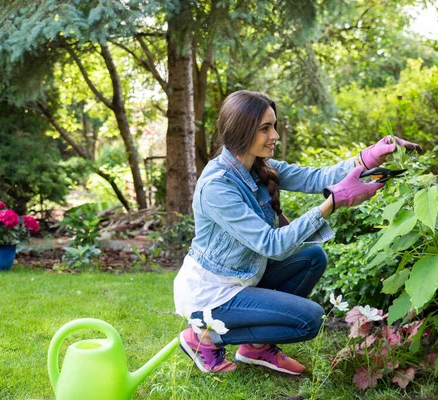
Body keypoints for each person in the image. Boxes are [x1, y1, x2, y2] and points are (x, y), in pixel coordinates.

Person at [173, 90, 422, 375]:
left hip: (242, 275)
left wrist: (368, 159)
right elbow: (272, 245)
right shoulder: (217, 187)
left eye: (274, 126)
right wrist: (332, 203)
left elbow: (316, 177)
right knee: (309, 319)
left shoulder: (258, 167)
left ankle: (256, 348)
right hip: (212, 293)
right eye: (265, 128)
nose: (275, 135)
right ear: (241, 130)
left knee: (313, 256)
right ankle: (202, 337)